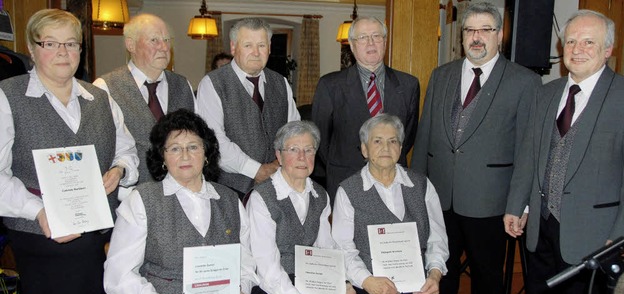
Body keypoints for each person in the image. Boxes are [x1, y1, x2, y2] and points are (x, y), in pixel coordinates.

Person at [0, 9, 139, 294]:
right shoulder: (8, 97)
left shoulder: (100, 97)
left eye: (71, 43)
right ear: (32, 49)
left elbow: (127, 150)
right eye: (51, 43)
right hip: (42, 239)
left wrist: (119, 170)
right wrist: (38, 211)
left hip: (96, 239)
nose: (63, 52)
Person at [504, 10, 624, 294]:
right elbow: (529, 155)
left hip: (595, 236)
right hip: (540, 230)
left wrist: (621, 239)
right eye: (571, 41)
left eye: (589, 42)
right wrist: (516, 204)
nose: (577, 49)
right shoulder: (545, 94)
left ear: (608, 50)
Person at [409, 3, 541, 294]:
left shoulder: (524, 82)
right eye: (470, 30)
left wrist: (519, 204)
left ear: (500, 36)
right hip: (439, 199)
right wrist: (414, 192)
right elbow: (425, 134)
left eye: (485, 29)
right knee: (441, 272)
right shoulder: (441, 75)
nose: (477, 37)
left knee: (487, 280)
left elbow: (528, 150)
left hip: (491, 204)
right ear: (462, 37)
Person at [104, 109, 257, 294]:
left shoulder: (230, 200)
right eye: (175, 149)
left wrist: (243, 293)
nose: (185, 156)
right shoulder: (142, 200)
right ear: (163, 157)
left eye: (193, 147)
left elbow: (245, 261)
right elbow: (117, 274)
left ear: (206, 154)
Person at [332, 114, 449, 294]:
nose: (386, 148)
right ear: (364, 149)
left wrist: (435, 273)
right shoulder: (348, 190)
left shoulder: (422, 185)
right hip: (369, 280)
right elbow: (342, 247)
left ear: (401, 148)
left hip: (415, 280)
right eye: (377, 141)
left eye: (392, 141)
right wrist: (367, 281)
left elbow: (437, 238)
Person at [246, 121, 358, 294]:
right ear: (279, 156)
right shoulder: (262, 198)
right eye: (293, 149)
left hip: (310, 279)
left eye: (308, 150)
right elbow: (266, 266)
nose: (301, 157)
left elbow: (326, 249)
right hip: (269, 285)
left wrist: (344, 285)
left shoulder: (320, 195)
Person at [311, 16, 419, 201]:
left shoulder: (408, 85)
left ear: (385, 42)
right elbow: (320, 138)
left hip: (392, 180)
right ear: (352, 46)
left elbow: (407, 135)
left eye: (376, 36)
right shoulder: (330, 85)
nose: (370, 42)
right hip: (345, 180)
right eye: (362, 37)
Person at [196, 18, 300, 199]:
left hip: (278, 185)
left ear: (269, 47)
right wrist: (257, 170)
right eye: (248, 45)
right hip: (231, 190)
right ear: (234, 47)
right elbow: (214, 141)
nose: (255, 52)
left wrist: (279, 164)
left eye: (261, 45)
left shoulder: (281, 82)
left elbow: (294, 131)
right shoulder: (213, 84)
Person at [94, 13, 196, 189]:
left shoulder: (183, 85)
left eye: (166, 40)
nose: (164, 47)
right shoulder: (105, 88)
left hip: (180, 193)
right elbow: (100, 151)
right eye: (154, 40)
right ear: (131, 44)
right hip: (128, 198)